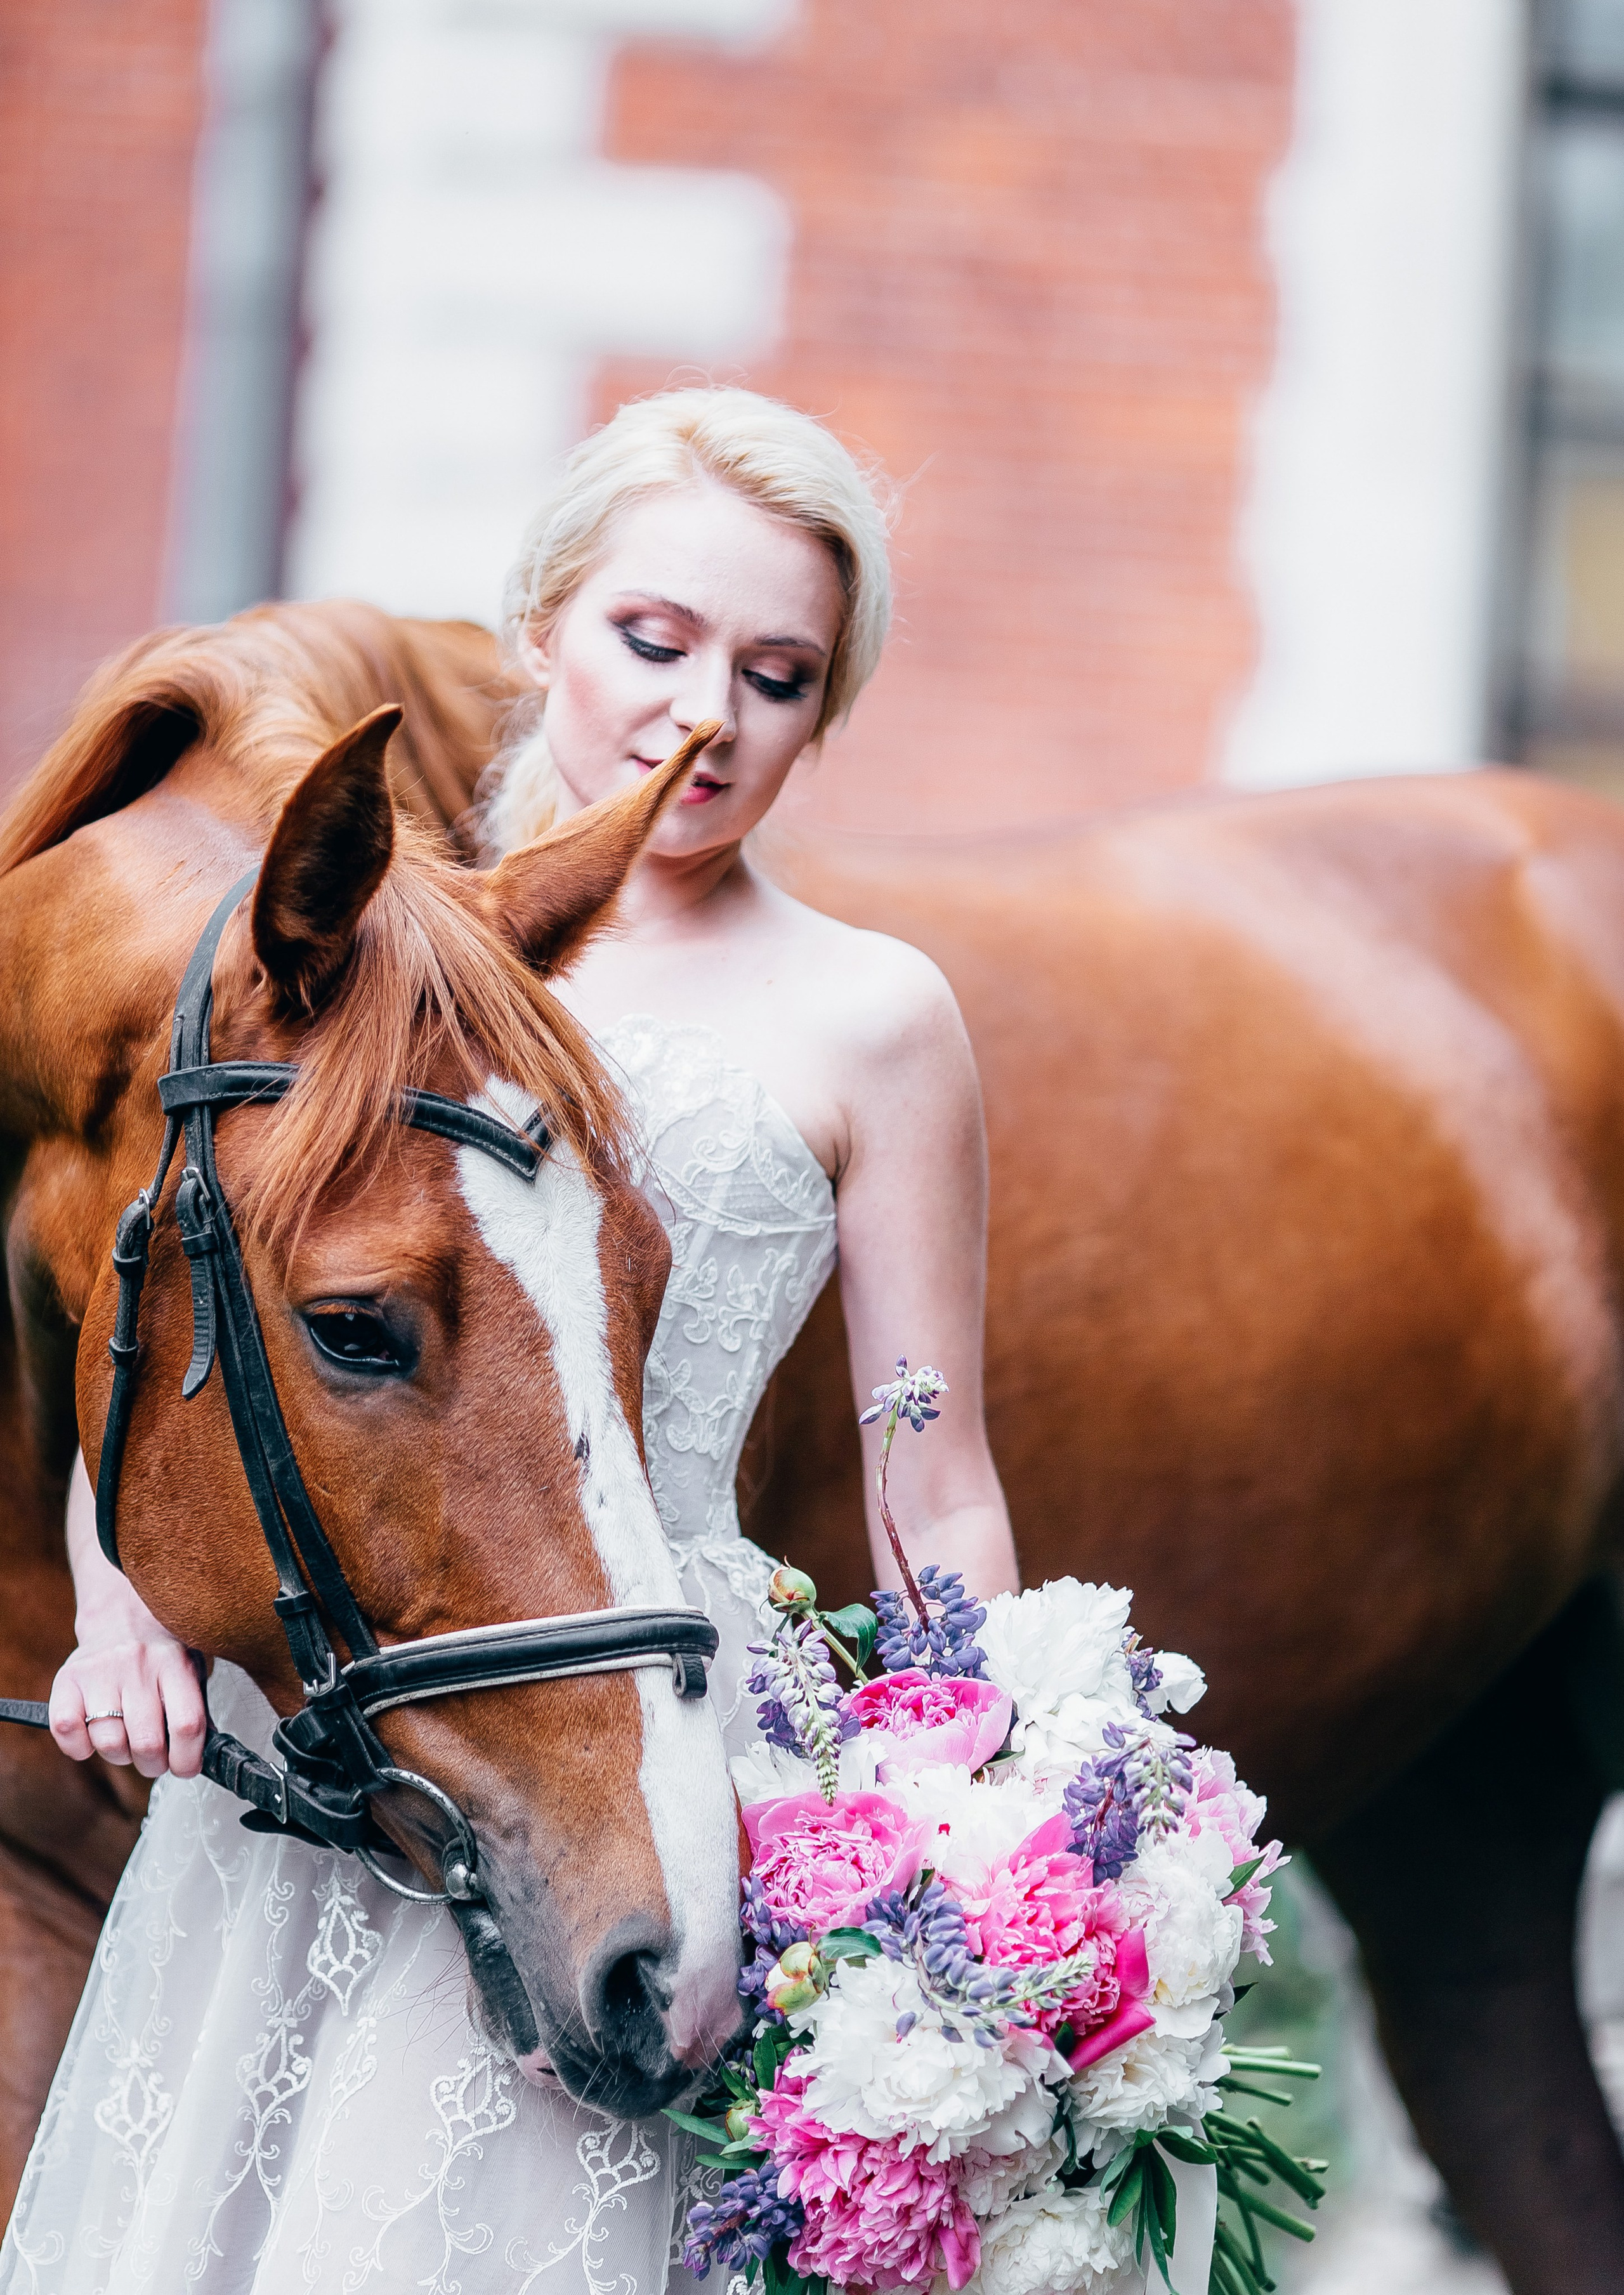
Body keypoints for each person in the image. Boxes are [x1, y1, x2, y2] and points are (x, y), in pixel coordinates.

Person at [1, 389, 1021, 2292]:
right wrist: (118, 1603)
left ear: (826, 711)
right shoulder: (383, 939)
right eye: (654, 639)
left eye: (779, 673)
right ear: (540, 623)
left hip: (656, 1722)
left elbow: (935, 1483)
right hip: (327, 1712)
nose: (704, 713)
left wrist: (990, 1841)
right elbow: (151, 1318)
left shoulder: (880, 1021)